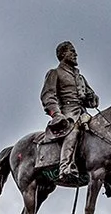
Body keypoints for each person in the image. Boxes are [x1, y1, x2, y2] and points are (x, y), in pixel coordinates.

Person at [40, 40, 99, 185]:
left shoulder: (80, 77)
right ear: (62, 54)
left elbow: (91, 98)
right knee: (74, 131)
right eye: (71, 51)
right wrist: (56, 114)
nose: (75, 54)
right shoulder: (55, 73)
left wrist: (92, 98)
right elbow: (48, 95)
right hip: (68, 114)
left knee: (101, 132)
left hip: (83, 113)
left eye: (74, 51)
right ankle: (65, 167)